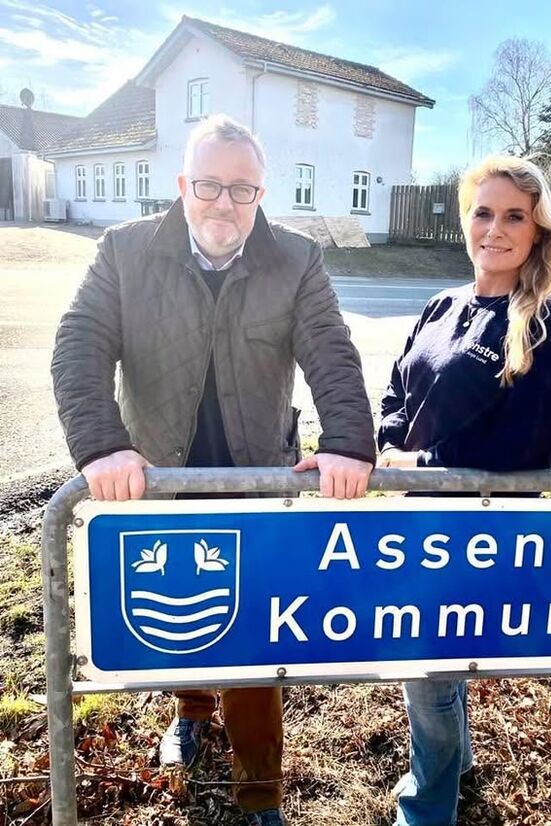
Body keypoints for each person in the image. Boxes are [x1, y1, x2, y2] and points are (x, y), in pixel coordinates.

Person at [51, 115, 375, 826]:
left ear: (261, 193)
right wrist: (102, 446)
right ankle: (193, 711)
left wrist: (349, 441)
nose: (224, 202)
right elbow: (79, 345)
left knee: (255, 638)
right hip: (157, 479)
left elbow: (330, 350)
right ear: (181, 185)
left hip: (256, 482)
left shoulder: (296, 259)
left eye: (241, 189)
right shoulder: (125, 251)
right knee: (182, 613)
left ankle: (260, 791)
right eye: (208, 185)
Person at [377, 155, 551, 826]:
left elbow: (528, 448)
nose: (495, 229)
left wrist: (420, 461)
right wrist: (389, 442)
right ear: (466, 220)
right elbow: (397, 387)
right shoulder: (442, 305)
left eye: (514, 216)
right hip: (417, 521)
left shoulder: (550, 329)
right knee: (435, 663)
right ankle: (457, 762)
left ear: (538, 231)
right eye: (483, 212)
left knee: (425, 667)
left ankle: (426, 807)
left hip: (482, 534)